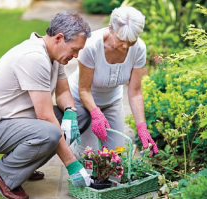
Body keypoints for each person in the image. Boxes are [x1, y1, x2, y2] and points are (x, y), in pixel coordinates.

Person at [0, 11, 93, 199]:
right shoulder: (34, 57)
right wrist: (72, 164)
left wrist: (69, 112)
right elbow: (44, 116)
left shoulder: (54, 55)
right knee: (50, 132)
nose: (76, 55)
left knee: (80, 115)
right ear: (59, 38)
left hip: (18, 122)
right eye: (75, 49)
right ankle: (4, 174)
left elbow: (63, 92)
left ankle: (22, 167)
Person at [58, 6, 158, 154]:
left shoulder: (138, 48)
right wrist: (96, 113)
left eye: (131, 41)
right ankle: (75, 148)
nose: (125, 46)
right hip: (82, 101)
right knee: (90, 156)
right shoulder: (91, 46)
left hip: (111, 101)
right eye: (122, 40)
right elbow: (84, 89)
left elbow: (135, 92)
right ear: (111, 28)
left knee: (116, 156)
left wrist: (142, 127)